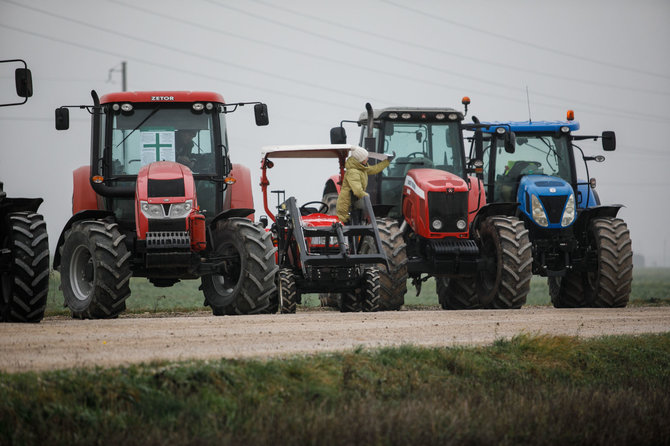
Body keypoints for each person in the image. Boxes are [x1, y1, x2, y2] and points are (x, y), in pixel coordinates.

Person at [336, 146, 391, 223]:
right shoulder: (353, 172)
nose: (367, 159)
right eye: (366, 158)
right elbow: (358, 191)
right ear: (360, 159)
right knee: (345, 226)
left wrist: (387, 162)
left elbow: (374, 169)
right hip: (347, 206)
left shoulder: (361, 168)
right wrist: (366, 196)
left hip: (355, 202)